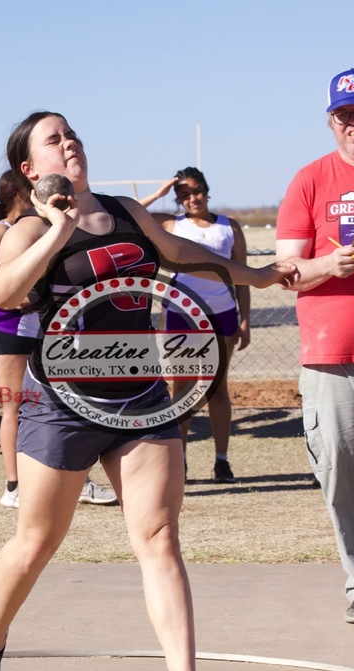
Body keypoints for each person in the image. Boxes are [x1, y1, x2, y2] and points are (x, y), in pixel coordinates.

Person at [0, 111, 298, 671]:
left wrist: (260, 274)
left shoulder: (123, 210)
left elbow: (180, 253)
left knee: (160, 536)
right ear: (31, 168)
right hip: (60, 400)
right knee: (37, 542)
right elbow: (3, 292)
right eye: (54, 139)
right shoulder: (28, 226)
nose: (71, 142)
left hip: (141, 395)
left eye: (73, 133)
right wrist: (57, 227)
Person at [0, 171, 117, 508]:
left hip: (37, 328)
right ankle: (15, 486)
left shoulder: (47, 227)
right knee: (15, 406)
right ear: (21, 193)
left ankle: (69, 479)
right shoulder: (7, 229)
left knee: (48, 405)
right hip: (10, 327)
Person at [276, 67, 354, 625]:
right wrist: (328, 265)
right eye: (346, 115)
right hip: (333, 352)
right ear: (331, 121)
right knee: (343, 469)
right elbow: (285, 272)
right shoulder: (310, 180)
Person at [140, 168, 250, 483]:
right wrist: (160, 193)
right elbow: (133, 213)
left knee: (217, 389)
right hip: (181, 318)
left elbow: (243, 279)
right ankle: (180, 461)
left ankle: (222, 461)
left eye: (197, 191)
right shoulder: (173, 224)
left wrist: (245, 321)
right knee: (183, 390)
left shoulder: (230, 227)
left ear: (207, 190)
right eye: (184, 195)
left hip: (222, 316)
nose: (192, 199)